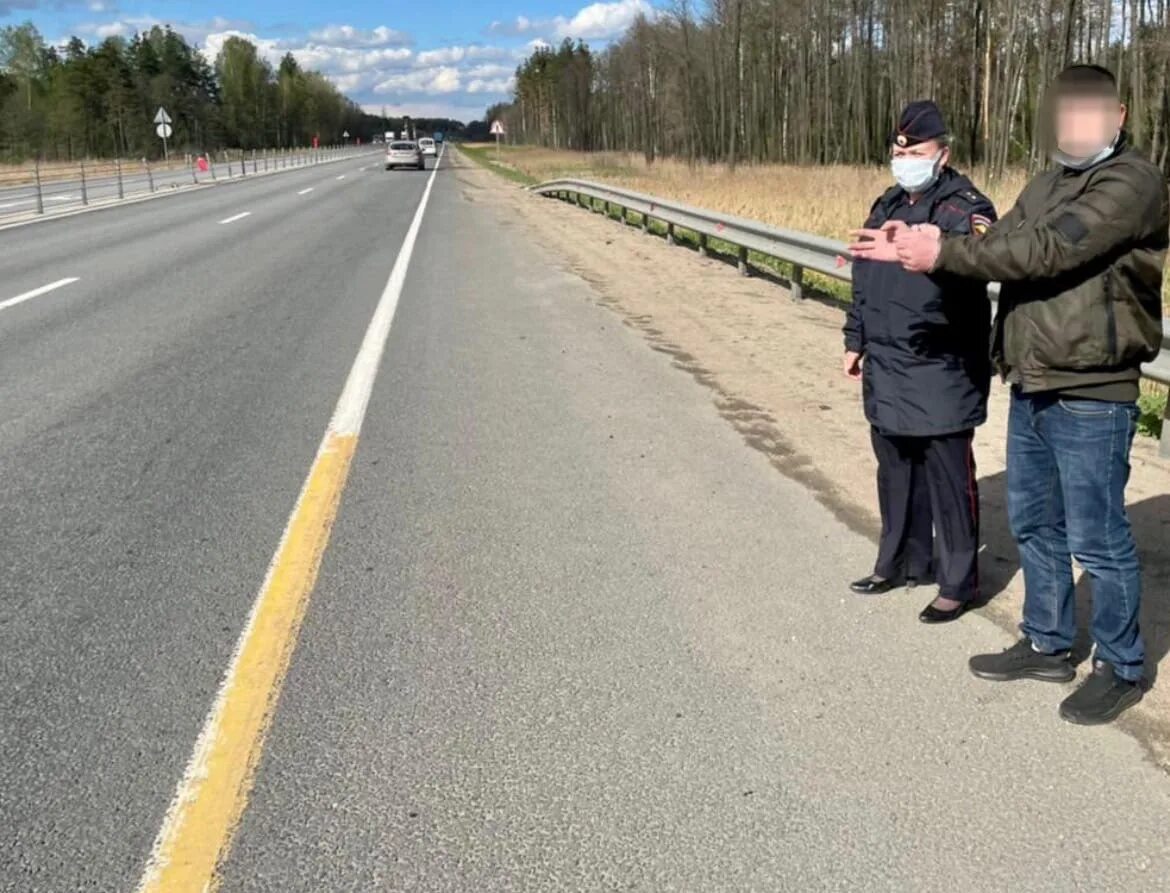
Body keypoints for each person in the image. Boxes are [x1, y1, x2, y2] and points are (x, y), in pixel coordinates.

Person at [850, 64, 1168, 725]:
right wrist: (930, 247)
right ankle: (1047, 640)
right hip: (1034, 375)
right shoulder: (1049, 180)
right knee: (1034, 522)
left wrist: (942, 251)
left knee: (1098, 536)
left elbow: (1045, 249)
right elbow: (1007, 241)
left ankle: (1121, 662)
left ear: (1119, 115)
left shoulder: (1132, 182)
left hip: (1092, 382)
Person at [843, 100, 997, 624]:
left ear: (942, 154)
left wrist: (940, 244)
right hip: (887, 362)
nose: (905, 158)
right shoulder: (885, 205)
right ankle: (902, 562)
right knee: (895, 473)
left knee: (949, 483)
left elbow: (986, 251)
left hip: (942, 368)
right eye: (898, 150)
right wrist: (855, 337)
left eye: (917, 151)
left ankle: (957, 583)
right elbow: (863, 279)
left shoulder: (961, 206)